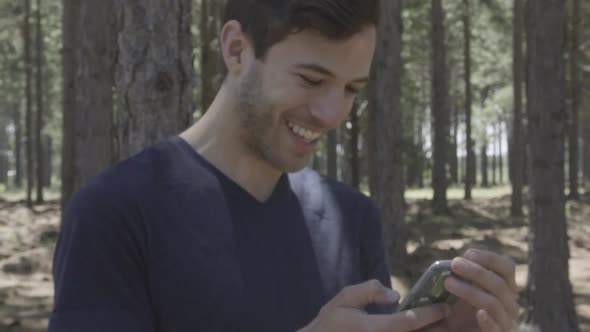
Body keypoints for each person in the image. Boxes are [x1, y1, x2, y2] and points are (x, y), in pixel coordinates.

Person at [48, 0, 520, 331]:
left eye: (352, 89)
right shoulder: (116, 214)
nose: (333, 112)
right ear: (236, 49)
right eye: (311, 79)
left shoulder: (352, 218)